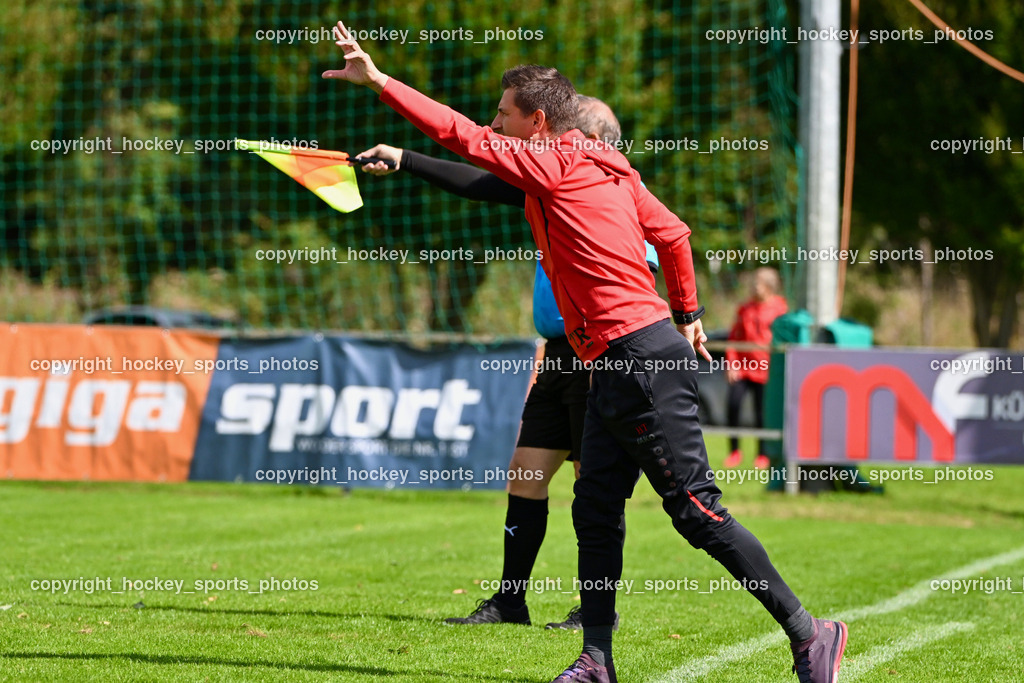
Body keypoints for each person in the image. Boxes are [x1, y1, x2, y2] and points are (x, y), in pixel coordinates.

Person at [323, 20, 847, 683]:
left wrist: (381, 82)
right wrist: (688, 313)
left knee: (697, 510)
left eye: (504, 116)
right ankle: (596, 659)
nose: (495, 126)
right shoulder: (608, 169)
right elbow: (677, 234)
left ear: (536, 121)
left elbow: (459, 134)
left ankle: (811, 632)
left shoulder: (553, 163)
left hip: (639, 360)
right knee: (594, 506)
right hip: (619, 361)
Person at [355, 96, 655, 631]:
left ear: (588, 140)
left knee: (595, 489)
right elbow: (477, 181)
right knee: (525, 475)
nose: (546, 143)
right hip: (561, 358)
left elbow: (646, 272)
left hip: (606, 353)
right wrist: (405, 158)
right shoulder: (549, 185)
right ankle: (510, 602)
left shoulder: (615, 196)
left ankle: (594, 610)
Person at [724, 267, 788, 469]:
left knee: (762, 413)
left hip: (766, 369)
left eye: (757, 283)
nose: (753, 287)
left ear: (769, 286)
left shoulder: (780, 309)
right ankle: (734, 452)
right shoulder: (745, 309)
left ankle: (762, 454)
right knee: (733, 405)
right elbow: (734, 338)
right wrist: (732, 363)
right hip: (744, 367)